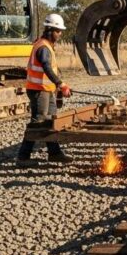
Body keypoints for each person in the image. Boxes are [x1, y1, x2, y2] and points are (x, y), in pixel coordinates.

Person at [17, 13, 73, 167]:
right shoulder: (43, 47)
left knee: (51, 121)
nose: (60, 34)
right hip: (39, 90)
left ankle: (54, 153)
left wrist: (59, 84)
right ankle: (23, 156)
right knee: (38, 122)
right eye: (58, 31)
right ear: (50, 30)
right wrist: (61, 85)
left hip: (47, 90)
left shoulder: (46, 46)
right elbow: (47, 68)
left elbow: (51, 69)